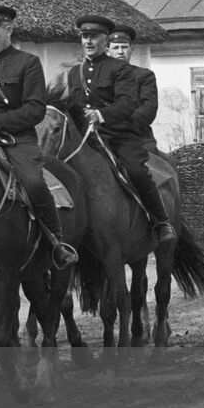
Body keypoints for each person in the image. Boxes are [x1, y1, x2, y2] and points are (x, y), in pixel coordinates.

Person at [0, 5, 79, 268]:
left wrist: (0, 121)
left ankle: (56, 242)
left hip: (15, 137)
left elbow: (34, 108)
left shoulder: (28, 63)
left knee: (33, 182)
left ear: (8, 29)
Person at [66, 15, 175, 243]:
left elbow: (126, 104)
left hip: (117, 137)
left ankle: (160, 220)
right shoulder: (74, 73)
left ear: (104, 41)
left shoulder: (120, 69)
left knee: (136, 171)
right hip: (86, 139)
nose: (88, 42)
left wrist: (101, 115)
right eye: (85, 37)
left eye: (93, 37)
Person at [107, 23, 162, 155]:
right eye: (115, 47)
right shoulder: (99, 77)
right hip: (103, 136)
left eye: (124, 47)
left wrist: (122, 126)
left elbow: (148, 108)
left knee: (145, 171)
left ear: (132, 49)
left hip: (137, 137)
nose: (120, 52)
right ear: (107, 51)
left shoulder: (144, 76)